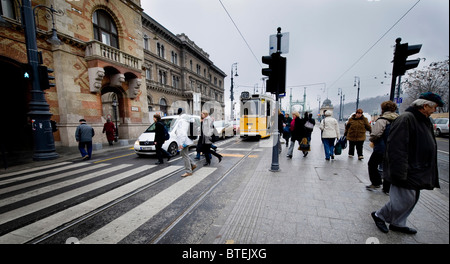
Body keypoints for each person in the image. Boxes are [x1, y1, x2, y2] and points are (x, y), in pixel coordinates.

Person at [371, 92, 443, 234]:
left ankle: (397, 223)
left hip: (418, 168)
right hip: (407, 168)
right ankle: (379, 215)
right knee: (404, 200)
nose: (435, 110)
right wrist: (399, 172)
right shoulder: (406, 119)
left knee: (412, 199)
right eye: (434, 107)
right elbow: (397, 148)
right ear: (425, 106)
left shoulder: (425, 120)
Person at [366, 101, 398, 193]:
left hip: (381, 147)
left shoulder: (382, 120)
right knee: (388, 167)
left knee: (372, 164)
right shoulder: (399, 119)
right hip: (395, 148)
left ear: (383, 109)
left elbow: (375, 134)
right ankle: (387, 188)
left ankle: (376, 182)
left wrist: (373, 139)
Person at [174, 108, 197, 177]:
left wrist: (181, 143)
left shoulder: (182, 120)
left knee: (185, 155)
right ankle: (193, 164)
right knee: (183, 154)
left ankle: (188, 171)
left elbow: (182, 132)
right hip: (187, 140)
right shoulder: (188, 118)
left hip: (184, 141)